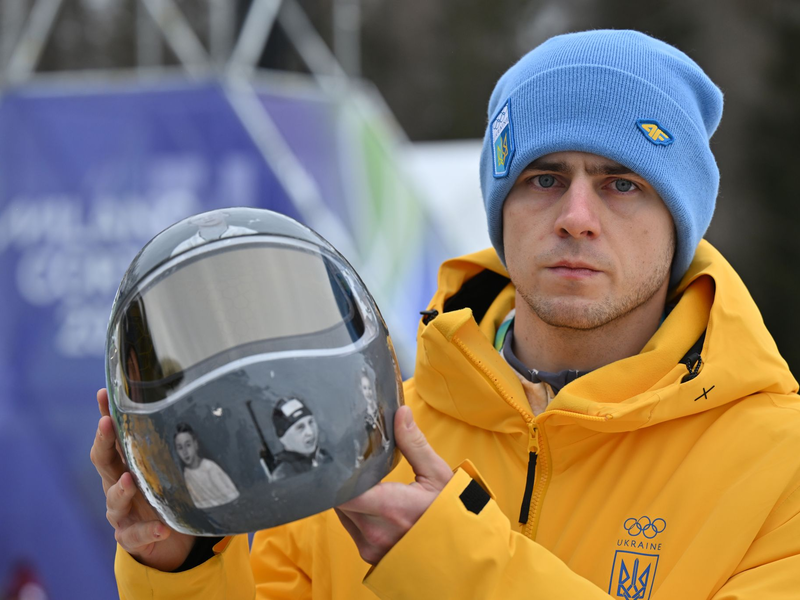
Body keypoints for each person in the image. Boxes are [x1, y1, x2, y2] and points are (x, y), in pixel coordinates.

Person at [91, 29, 800, 598]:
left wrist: (450, 564)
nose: (577, 217)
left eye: (622, 184)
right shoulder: (355, 433)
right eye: (542, 179)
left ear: (681, 219)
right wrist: (180, 570)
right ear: (500, 207)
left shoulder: (778, 464)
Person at [173, 423, 239, 509]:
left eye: (188, 445)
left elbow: (232, 496)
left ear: (195, 444)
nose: (185, 452)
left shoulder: (209, 467)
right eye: (180, 448)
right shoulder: (186, 474)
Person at [270, 397, 332, 480]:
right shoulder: (283, 474)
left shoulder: (324, 457)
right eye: (300, 427)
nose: (310, 432)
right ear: (283, 438)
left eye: (311, 422)